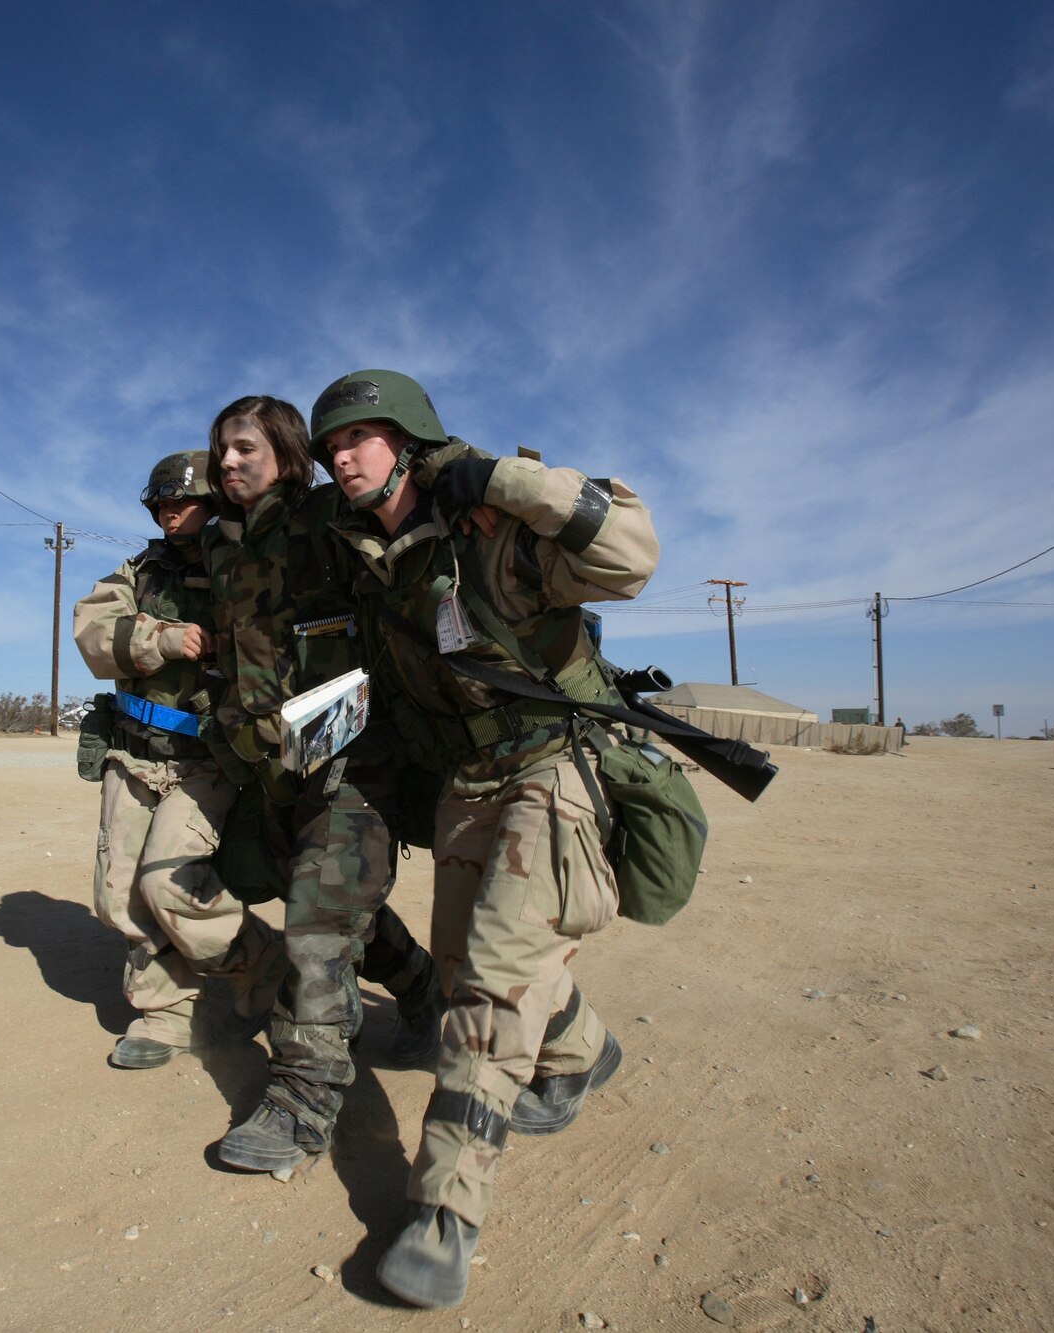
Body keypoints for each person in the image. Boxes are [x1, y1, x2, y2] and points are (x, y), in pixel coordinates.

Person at [311, 369, 658, 1308]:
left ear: (411, 440)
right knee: (480, 963)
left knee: (493, 980)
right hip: (466, 782)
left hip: (553, 767)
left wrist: (509, 482)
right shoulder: (370, 558)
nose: (342, 455)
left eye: (362, 436)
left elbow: (630, 553)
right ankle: (581, 1046)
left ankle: (444, 1211)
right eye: (331, 445)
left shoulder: (490, 531)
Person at [201, 394, 442, 1176]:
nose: (227, 462)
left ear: (285, 450)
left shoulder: (324, 517)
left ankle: (303, 1096)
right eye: (220, 451)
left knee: (317, 918)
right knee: (335, 908)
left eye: (244, 448)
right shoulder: (218, 544)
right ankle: (421, 985)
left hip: (355, 755)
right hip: (274, 768)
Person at [72, 450, 285, 1070]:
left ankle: (259, 962)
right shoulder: (137, 571)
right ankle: (164, 1010)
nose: (170, 513)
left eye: (183, 501)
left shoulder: (244, 568)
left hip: (208, 761)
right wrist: (160, 638)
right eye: (162, 503)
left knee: (169, 883)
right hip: (133, 756)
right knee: (118, 896)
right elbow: (92, 633)